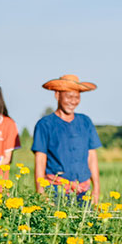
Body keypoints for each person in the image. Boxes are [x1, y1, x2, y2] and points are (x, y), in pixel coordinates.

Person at [32, 74, 101, 203]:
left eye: (77, 97)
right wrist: (40, 192)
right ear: (57, 95)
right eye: (69, 96)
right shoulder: (45, 124)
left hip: (83, 190)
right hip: (55, 189)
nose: (73, 101)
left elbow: (92, 156)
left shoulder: (85, 122)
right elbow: (40, 159)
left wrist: (96, 189)